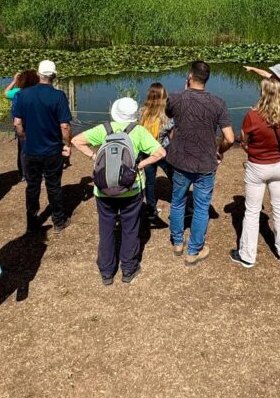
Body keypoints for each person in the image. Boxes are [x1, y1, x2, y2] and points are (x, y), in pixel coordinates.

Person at [71, 97, 166, 284]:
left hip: (103, 189)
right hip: (132, 188)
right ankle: (128, 270)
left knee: (106, 228)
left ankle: (106, 272)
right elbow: (161, 153)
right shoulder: (138, 131)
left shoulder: (104, 129)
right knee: (130, 229)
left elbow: (76, 140)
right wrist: (140, 165)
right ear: (133, 115)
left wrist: (94, 155)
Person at [166, 61, 235, 266]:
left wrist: (185, 90)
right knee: (201, 206)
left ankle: (178, 242)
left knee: (177, 201)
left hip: (180, 160)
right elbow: (230, 138)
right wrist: (219, 151)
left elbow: (170, 115)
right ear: (207, 79)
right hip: (205, 161)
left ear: (189, 75)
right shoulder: (218, 103)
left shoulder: (176, 98)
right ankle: (193, 250)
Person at [230, 79, 280, 268]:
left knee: (252, 211)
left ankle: (247, 256)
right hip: (279, 167)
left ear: (262, 93)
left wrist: (247, 147)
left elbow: (244, 139)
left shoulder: (252, 116)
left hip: (257, 166)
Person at [13, 60, 73, 233]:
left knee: (32, 186)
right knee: (54, 185)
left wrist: (25, 137)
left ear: (39, 74)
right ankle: (58, 221)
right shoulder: (58, 96)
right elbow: (65, 126)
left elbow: (17, 123)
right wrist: (67, 144)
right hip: (53, 149)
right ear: (53, 76)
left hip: (31, 149)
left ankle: (32, 222)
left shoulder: (24, 94)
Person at [138, 82, 174, 219]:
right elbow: (172, 136)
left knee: (149, 181)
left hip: (147, 152)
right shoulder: (166, 115)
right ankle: (178, 205)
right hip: (163, 150)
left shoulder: (142, 112)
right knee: (173, 178)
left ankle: (151, 209)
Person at [7, 70, 41, 180]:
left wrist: (14, 81)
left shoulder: (17, 92)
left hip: (19, 124)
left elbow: (6, 93)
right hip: (32, 125)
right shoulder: (36, 93)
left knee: (22, 149)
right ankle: (34, 172)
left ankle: (22, 173)